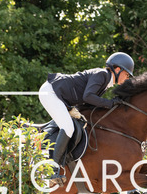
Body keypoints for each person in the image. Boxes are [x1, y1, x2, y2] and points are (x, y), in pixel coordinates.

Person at [38, 52, 135, 185]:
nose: (127, 78)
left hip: (60, 96)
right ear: (118, 69)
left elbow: (88, 102)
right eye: (127, 74)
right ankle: (52, 169)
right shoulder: (102, 75)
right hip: (51, 92)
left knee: (72, 125)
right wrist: (110, 103)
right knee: (68, 127)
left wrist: (111, 106)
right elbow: (88, 96)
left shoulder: (105, 81)